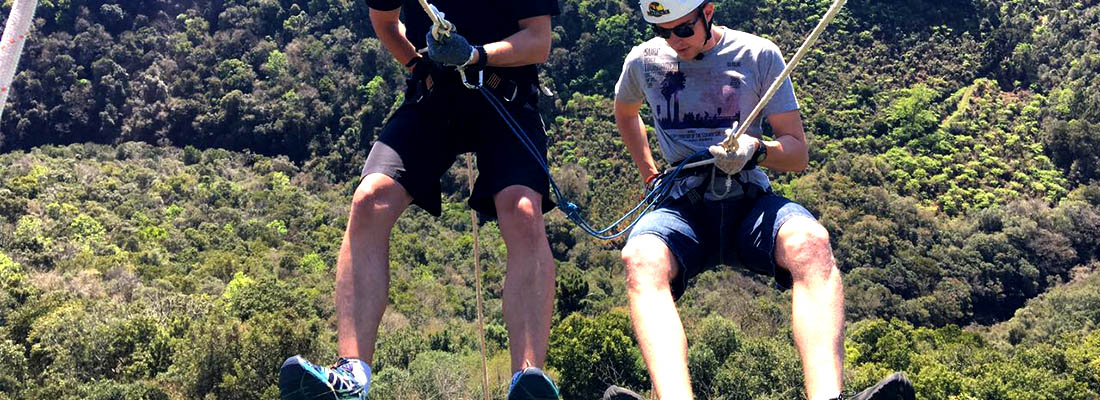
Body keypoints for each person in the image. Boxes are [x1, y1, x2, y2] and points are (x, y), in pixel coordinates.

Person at [607, 1, 917, 399]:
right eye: (662, 32)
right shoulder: (643, 61)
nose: (673, 42)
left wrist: (757, 150)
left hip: (747, 200)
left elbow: (797, 152)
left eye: (682, 30)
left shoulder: (757, 55)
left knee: (811, 244)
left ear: (709, 12)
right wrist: (648, 171)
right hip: (682, 202)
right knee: (640, 258)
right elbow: (625, 110)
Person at [278, 0, 562, 399]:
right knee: (370, 199)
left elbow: (538, 40)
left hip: (506, 94)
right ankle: (351, 374)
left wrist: (476, 55)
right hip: (436, 94)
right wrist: (417, 65)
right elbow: (385, 21)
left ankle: (528, 380)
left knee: (522, 209)